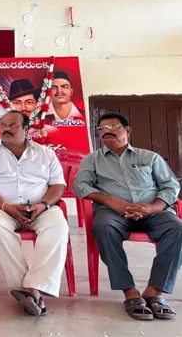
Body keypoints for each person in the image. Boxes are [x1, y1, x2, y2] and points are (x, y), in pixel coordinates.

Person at [73, 112, 182, 321]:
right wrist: (110, 201)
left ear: (128, 130)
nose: (107, 131)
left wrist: (153, 208)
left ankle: (155, 292)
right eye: (102, 129)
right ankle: (129, 291)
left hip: (152, 212)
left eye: (113, 127)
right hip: (113, 213)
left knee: (177, 228)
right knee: (103, 226)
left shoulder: (149, 157)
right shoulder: (92, 160)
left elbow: (170, 186)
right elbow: (80, 186)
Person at [0, 111, 68, 316]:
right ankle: (25, 287)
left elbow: (58, 185)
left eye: (13, 125)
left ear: (26, 129)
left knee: (58, 226)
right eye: (3, 125)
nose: (6, 129)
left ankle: (33, 288)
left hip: (40, 208)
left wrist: (43, 205)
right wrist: (6, 206)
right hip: (1, 208)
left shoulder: (45, 153)